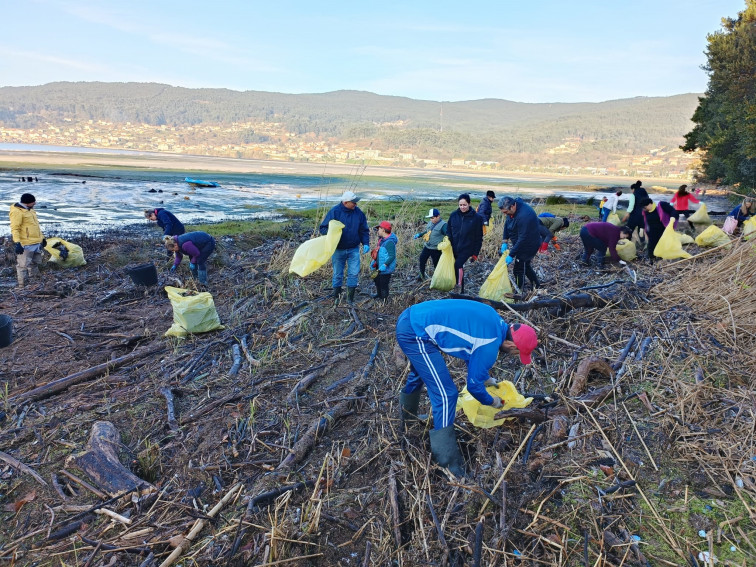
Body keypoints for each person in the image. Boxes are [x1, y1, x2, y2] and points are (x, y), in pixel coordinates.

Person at [397, 299, 539, 477]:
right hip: (415, 333)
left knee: (419, 375)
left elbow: (469, 347)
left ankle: (408, 422)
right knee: (446, 394)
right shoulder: (490, 346)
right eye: (518, 352)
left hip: (412, 315)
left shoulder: (494, 319)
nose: (514, 355)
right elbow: (473, 387)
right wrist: (493, 401)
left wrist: (486, 378)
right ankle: (448, 464)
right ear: (511, 344)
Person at [318, 190, 370, 303]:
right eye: (353, 202)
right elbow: (323, 228)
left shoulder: (359, 213)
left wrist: (366, 243)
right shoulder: (334, 212)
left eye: (356, 202)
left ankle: (350, 299)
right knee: (337, 274)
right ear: (346, 202)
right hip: (338, 250)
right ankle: (336, 297)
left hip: (353, 249)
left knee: (354, 273)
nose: (356, 204)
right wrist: (332, 232)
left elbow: (364, 230)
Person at [498, 196, 541, 291]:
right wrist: (505, 240)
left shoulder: (525, 215)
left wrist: (511, 254)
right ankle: (537, 285)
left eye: (506, 212)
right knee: (525, 265)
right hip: (521, 242)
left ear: (512, 206)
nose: (505, 214)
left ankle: (518, 291)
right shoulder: (511, 211)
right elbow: (507, 223)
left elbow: (523, 238)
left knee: (518, 270)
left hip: (529, 244)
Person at [447, 194, 484, 294]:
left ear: (469, 204)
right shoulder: (453, 215)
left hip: (467, 248)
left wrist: (475, 254)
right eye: (460, 205)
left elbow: (479, 238)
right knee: (456, 268)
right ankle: (459, 288)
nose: (462, 207)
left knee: (458, 264)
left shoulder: (476, 218)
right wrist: (448, 240)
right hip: (454, 247)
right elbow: (449, 229)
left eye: (464, 205)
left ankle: (459, 288)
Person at [9, 193, 45, 288]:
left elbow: (36, 226)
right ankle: (22, 286)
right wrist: (17, 243)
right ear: (27, 202)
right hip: (26, 244)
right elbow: (15, 228)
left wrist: (42, 238)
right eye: (33, 202)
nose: (35, 203)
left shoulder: (31, 210)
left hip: (36, 243)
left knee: (34, 264)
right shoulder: (17, 212)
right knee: (23, 266)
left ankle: (35, 283)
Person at [639, 198, 680, 263]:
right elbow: (644, 221)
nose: (644, 209)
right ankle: (652, 260)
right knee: (651, 246)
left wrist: (672, 218)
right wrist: (642, 229)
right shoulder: (645, 212)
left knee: (663, 245)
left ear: (650, 204)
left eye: (644, 207)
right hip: (652, 231)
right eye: (643, 208)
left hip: (663, 230)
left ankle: (663, 260)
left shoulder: (661, 205)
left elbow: (673, 211)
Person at [413, 208, 447, 280]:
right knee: (422, 259)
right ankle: (421, 275)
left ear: (438, 216)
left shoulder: (443, 225)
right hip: (427, 246)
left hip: (436, 249)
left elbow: (448, 235)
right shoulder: (430, 223)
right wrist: (420, 234)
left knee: (436, 264)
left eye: (432, 218)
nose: (431, 219)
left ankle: (438, 278)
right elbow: (428, 231)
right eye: (430, 218)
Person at [370, 221, 398, 301]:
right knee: (377, 280)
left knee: (383, 284)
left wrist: (385, 265)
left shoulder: (389, 242)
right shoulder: (381, 240)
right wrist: (374, 262)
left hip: (385, 268)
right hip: (379, 265)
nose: (377, 231)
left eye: (379, 229)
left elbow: (392, 256)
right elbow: (379, 253)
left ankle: (384, 299)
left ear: (383, 230)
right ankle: (379, 295)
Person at [621, 181, 649, 248]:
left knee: (629, 229)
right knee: (641, 230)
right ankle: (642, 243)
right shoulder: (645, 194)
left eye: (632, 190)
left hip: (635, 215)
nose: (631, 191)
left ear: (633, 189)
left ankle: (627, 243)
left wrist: (626, 216)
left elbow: (631, 207)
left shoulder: (633, 195)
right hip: (644, 215)